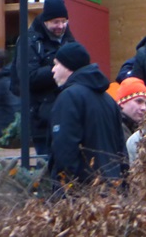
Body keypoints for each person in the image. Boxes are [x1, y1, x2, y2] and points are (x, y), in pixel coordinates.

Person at [47, 43, 124, 186]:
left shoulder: (69, 97)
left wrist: (67, 185)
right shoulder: (108, 100)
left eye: (56, 64)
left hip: (83, 189)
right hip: (112, 187)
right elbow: (121, 147)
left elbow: (65, 149)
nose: (53, 70)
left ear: (68, 66)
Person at [12, 0, 76, 155]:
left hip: (68, 117)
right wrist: (59, 69)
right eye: (56, 22)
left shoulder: (69, 40)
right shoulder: (29, 42)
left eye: (64, 21)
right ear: (45, 21)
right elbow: (28, 77)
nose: (60, 26)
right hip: (42, 120)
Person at [116, 77, 146, 166]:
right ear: (122, 103)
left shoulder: (143, 130)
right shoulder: (115, 129)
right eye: (139, 101)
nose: (144, 108)